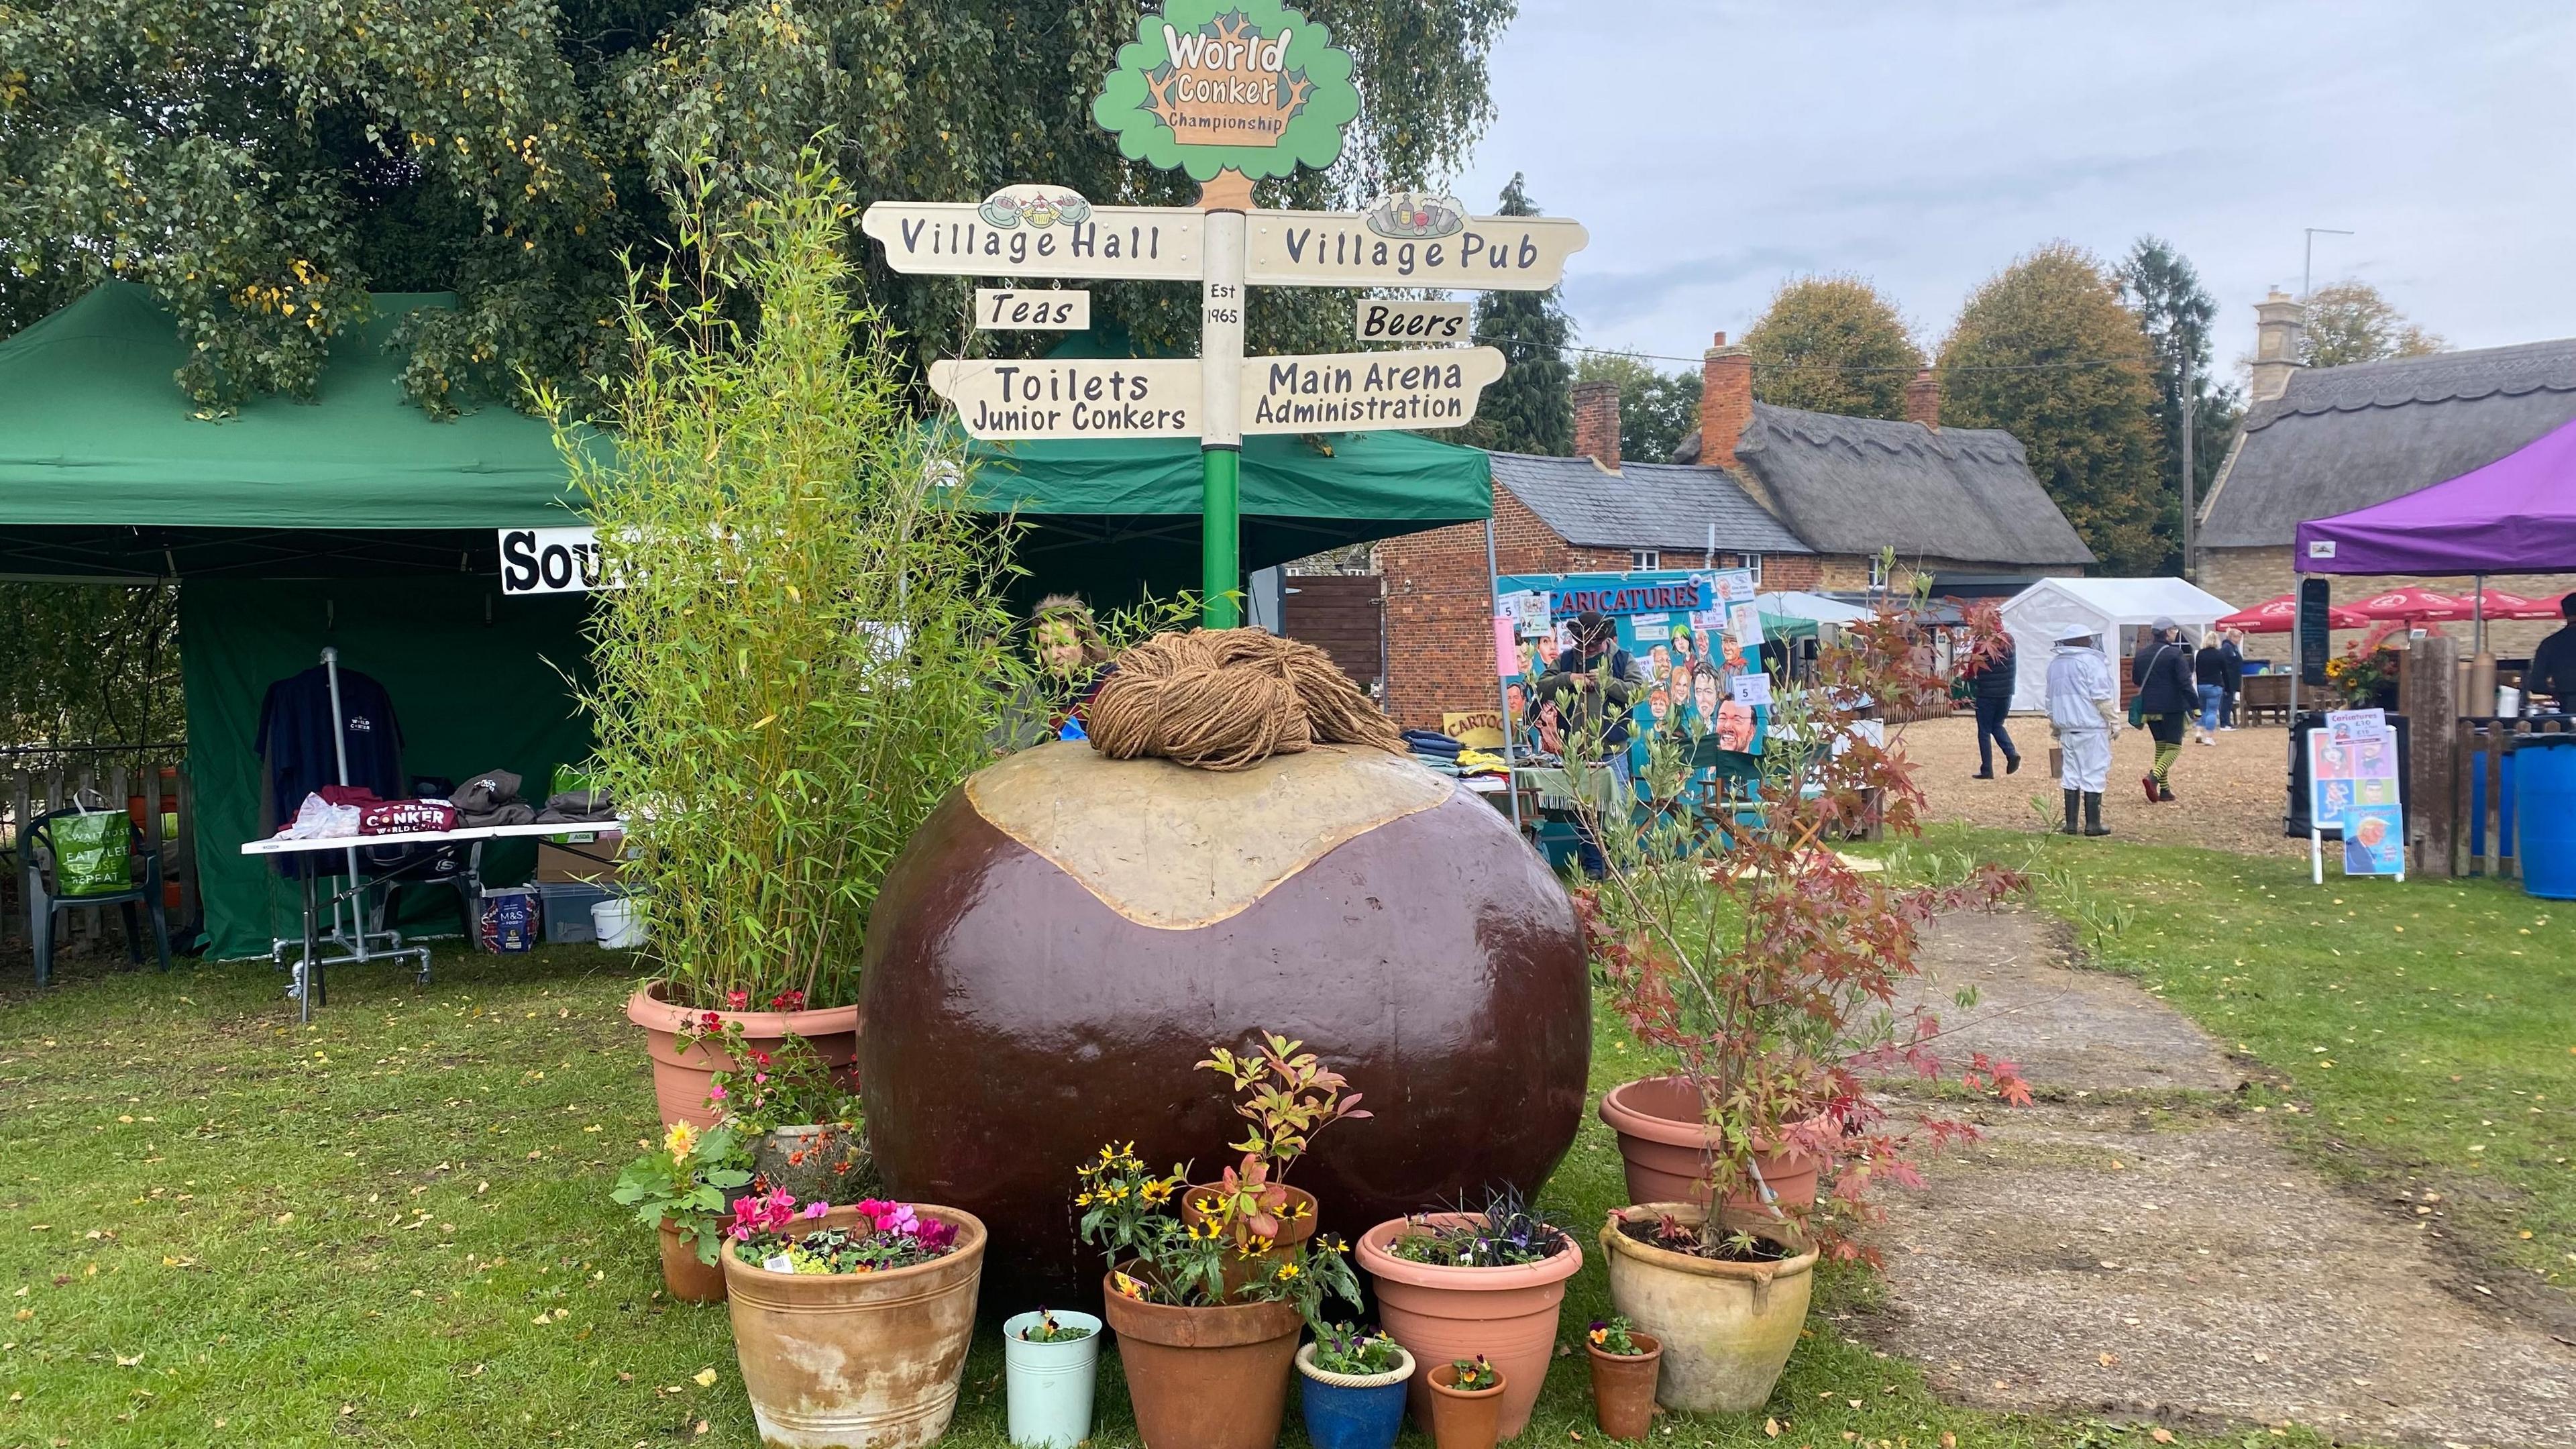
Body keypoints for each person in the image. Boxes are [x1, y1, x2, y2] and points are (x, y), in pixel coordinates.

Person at [1534, 610, 1649, 877]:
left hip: (1613, 750)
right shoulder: (1565, 660)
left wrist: (1608, 683)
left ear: (1604, 639)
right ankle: (1594, 866)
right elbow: (1541, 687)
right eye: (1584, 644)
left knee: (1616, 808)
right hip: (1577, 751)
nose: (1588, 650)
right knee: (1585, 812)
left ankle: (1621, 865)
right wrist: (1569, 679)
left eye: (1593, 644)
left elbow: (1639, 691)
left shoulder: (1623, 659)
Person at [2045, 626, 2119, 836]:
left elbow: (2050, 700)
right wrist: (2114, 721)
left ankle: (2071, 825)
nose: (2089, 642)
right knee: (2094, 772)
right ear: (2081, 641)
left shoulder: (2055, 666)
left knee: (2071, 774)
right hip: (2091, 727)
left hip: (2067, 728)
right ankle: (2092, 825)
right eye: (2087, 639)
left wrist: (2056, 726)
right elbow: (2101, 697)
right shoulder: (2092, 663)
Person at [2131, 617, 2196, 802]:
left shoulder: (2141, 655)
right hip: (2172, 706)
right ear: (2167, 632)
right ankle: (2154, 778)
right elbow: (2185, 682)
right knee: (2174, 748)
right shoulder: (2175, 654)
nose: (2176, 632)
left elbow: (2136, 679)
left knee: (2161, 746)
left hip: (2149, 707)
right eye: (2174, 629)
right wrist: (2196, 705)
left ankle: (2165, 790)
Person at [1963, 631, 2021, 779]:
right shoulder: (2009, 639)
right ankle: (2011, 753)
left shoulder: (1982, 642)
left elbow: (1973, 666)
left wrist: (1966, 677)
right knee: (1997, 725)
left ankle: (1987, 769)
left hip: (1987, 692)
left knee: (1984, 731)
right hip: (2006, 691)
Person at [2525, 592, 2576, 710]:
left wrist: (2558, 692)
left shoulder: (2550, 644)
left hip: (2569, 706)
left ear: (2564, 613)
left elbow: (2536, 684)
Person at [2192, 631, 2229, 747]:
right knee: (2212, 712)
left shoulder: (2199, 654)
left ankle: (2198, 731)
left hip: (2201, 685)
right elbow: (2225, 672)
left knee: (2202, 710)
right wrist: (2227, 686)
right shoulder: (2219, 654)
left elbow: (2197, 670)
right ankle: (2209, 737)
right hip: (2215, 685)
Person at [2217, 629, 2245, 731]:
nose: (2240, 640)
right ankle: (2224, 723)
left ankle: (2227, 722)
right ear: (2232, 637)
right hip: (2227, 679)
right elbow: (2224, 663)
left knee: (2229, 701)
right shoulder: (2227, 648)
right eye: (2238, 637)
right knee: (2226, 701)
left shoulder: (2233, 648)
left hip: (2233, 679)